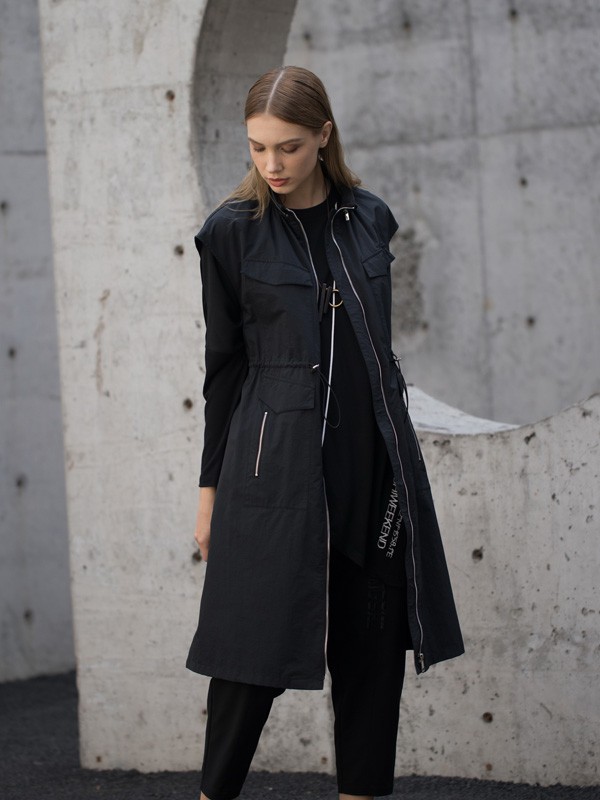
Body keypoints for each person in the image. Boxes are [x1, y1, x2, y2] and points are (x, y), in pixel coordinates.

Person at [187, 66, 464, 800]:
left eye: (288, 147)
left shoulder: (369, 219)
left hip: (371, 469)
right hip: (272, 472)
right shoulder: (230, 233)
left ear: (323, 137)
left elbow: (375, 349)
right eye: (258, 148)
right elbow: (223, 370)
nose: (272, 165)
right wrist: (210, 491)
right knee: (248, 653)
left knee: (372, 653)